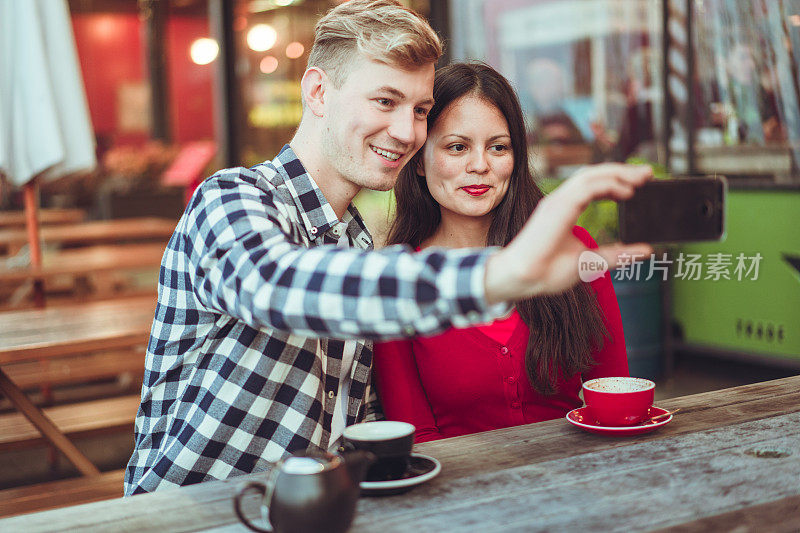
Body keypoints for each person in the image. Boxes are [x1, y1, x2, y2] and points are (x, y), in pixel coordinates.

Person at [124, 0, 652, 495]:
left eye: (421, 110)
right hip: (188, 513)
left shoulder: (356, 242)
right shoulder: (232, 199)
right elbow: (275, 284)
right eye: (385, 101)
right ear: (318, 92)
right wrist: (498, 275)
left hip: (308, 511)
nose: (406, 131)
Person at [373, 63, 630, 443]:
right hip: (457, 491)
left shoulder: (572, 249)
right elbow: (417, 436)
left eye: (498, 147)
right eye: (457, 147)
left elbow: (613, 393)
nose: (480, 166)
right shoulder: (398, 280)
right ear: (420, 163)